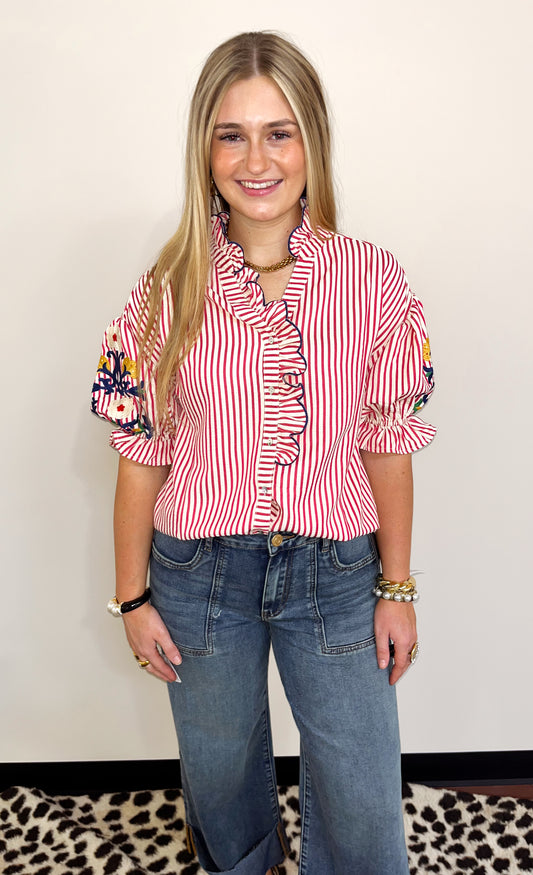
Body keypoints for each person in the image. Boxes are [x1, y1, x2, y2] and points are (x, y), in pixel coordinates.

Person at [92, 30, 435, 875]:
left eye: (278, 132)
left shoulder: (372, 281)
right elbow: (142, 451)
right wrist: (131, 598)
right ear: (203, 149)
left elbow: (387, 442)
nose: (256, 159)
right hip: (200, 576)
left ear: (311, 141)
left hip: (336, 577)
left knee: (359, 788)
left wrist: (395, 585)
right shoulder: (167, 289)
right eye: (231, 134)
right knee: (222, 779)